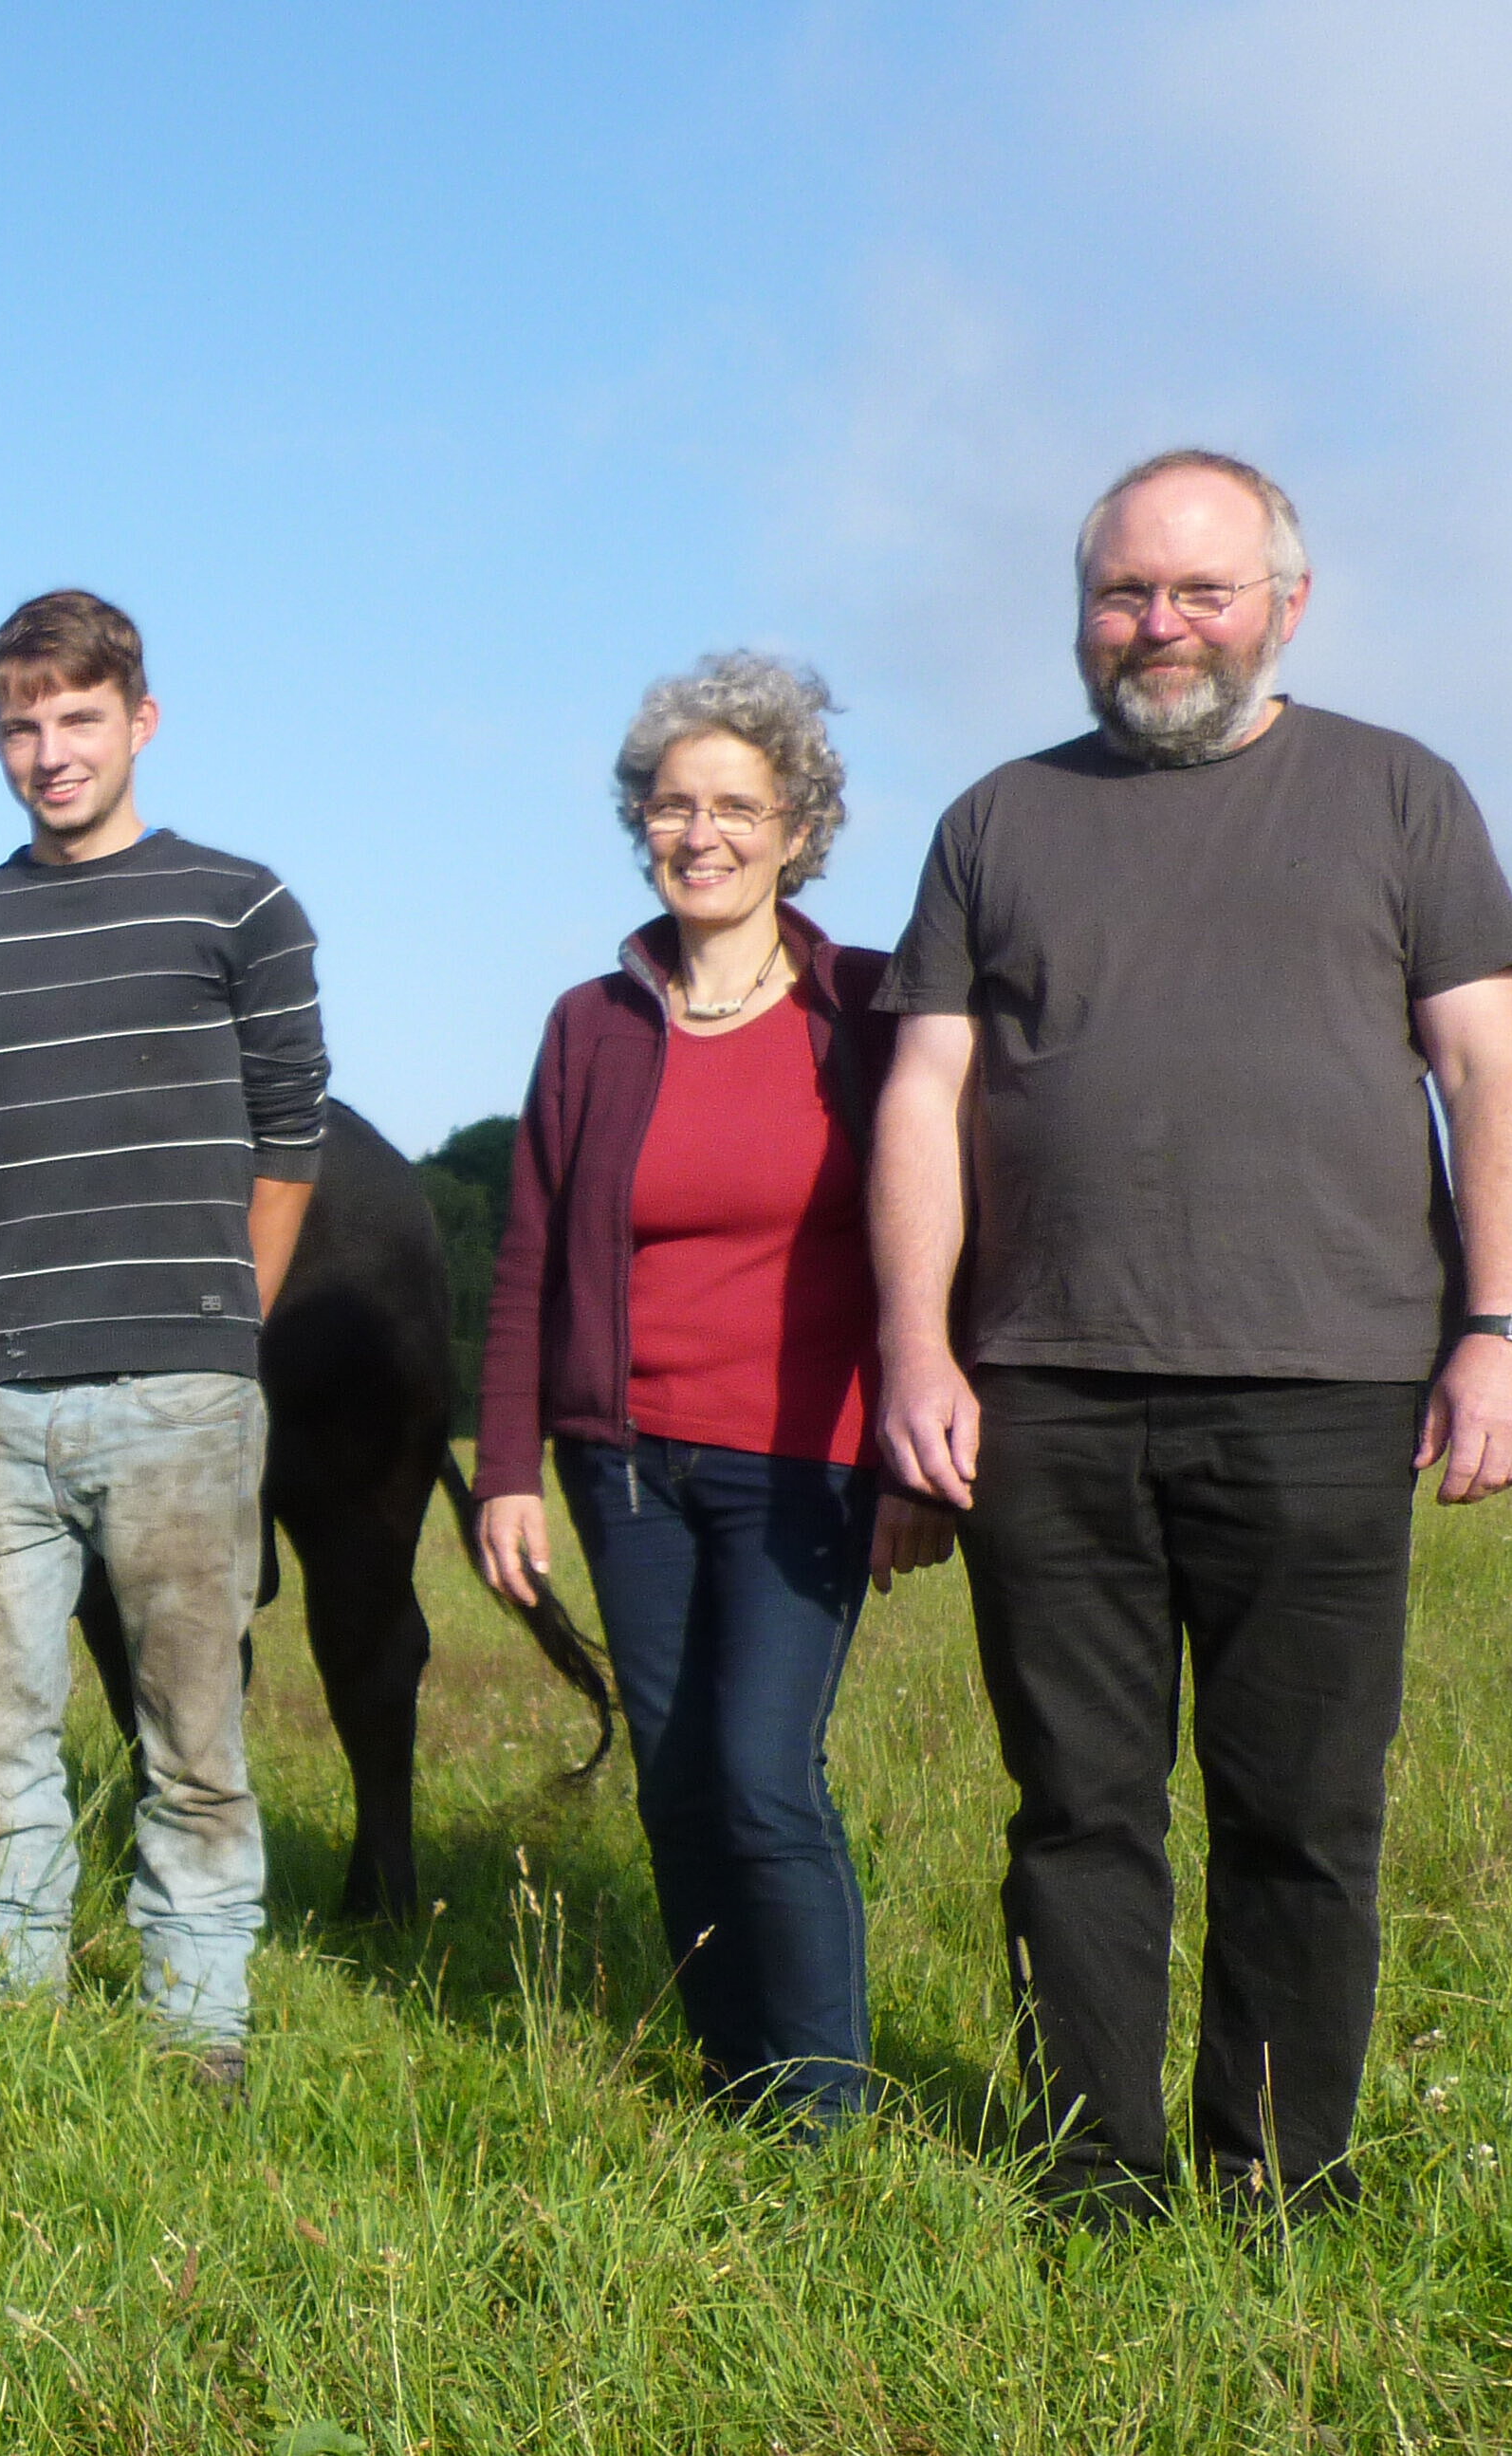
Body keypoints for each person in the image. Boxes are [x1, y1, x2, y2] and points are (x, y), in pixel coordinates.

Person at [870, 449, 1512, 2225]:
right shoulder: (995, 820)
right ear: (1082, 610)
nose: (1159, 626)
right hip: (1047, 1388)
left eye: (1200, 592)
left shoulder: (1401, 796)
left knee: (1303, 1820)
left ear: (1285, 605)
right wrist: (916, 1348)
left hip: (1326, 1388)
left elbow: (1490, 1073)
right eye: (1124, 594)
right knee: (1076, 1814)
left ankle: (1280, 2183)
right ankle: (1098, 2175)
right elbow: (923, 1095)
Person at [470, 653, 954, 2135]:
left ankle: (826, 2109)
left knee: (758, 1773)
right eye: (674, 805)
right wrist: (503, 1469)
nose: (702, 833)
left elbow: (942, 1233)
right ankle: (737, 2073)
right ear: (643, 823)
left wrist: (914, 1461)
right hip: (626, 1469)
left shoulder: (866, 1007)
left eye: (736, 805)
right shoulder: (592, 1022)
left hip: (803, 1463)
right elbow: (528, 1258)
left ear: (797, 826)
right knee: (676, 1786)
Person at [0, 589, 326, 2084]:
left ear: (141, 721)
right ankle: (12, 2030)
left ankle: (196, 2030)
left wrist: (227, 1333)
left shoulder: (241, 906)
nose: (48, 750)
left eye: (78, 718)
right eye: (20, 724)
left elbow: (292, 1138)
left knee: (191, 1742)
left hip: (184, 1394)